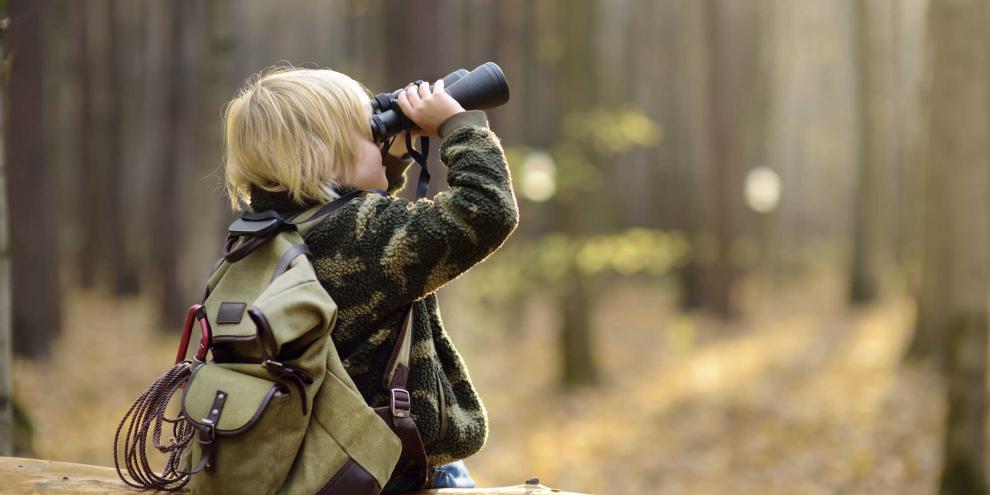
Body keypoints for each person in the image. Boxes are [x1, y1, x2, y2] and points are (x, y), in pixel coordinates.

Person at [221, 66, 518, 492]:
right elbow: (486, 211)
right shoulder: (364, 234)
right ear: (327, 155)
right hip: (392, 472)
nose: (380, 141)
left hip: (321, 462)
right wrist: (458, 125)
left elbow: (361, 227)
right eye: (370, 134)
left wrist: (392, 156)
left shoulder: (265, 235)